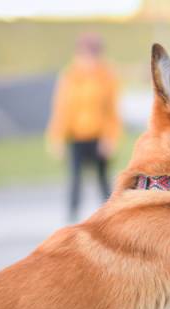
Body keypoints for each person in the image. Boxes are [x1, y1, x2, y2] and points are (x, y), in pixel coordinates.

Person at [47, 32, 121, 222]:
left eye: (93, 54)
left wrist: (110, 138)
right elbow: (61, 109)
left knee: (103, 181)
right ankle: (71, 219)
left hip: (98, 137)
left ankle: (111, 219)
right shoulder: (70, 76)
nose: (89, 59)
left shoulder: (107, 76)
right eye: (85, 54)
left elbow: (112, 111)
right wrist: (57, 138)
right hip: (76, 137)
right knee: (75, 181)